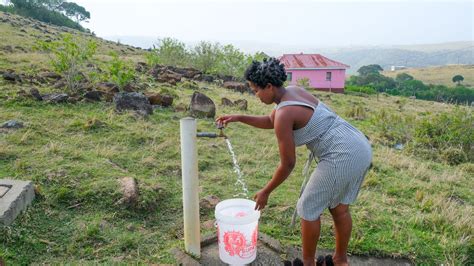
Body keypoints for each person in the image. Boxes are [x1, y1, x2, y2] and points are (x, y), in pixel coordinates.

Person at [216, 58, 372, 266]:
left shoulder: (284, 113)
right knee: (339, 208)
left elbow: (288, 164)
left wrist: (266, 191)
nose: (256, 95)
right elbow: (270, 121)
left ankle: (308, 263)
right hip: (358, 145)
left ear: (269, 87)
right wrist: (238, 117)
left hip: (342, 153)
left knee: (307, 207)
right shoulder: (292, 92)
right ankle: (340, 260)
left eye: (255, 90)